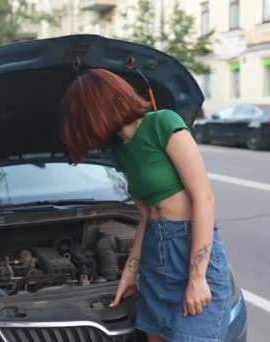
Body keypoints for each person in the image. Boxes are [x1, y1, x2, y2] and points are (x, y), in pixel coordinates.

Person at [61, 68, 232, 342]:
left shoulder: (163, 123)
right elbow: (145, 216)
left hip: (189, 246)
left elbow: (203, 198)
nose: (82, 129)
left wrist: (197, 277)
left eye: (80, 119)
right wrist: (130, 273)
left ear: (97, 109)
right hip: (155, 255)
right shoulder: (120, 150)